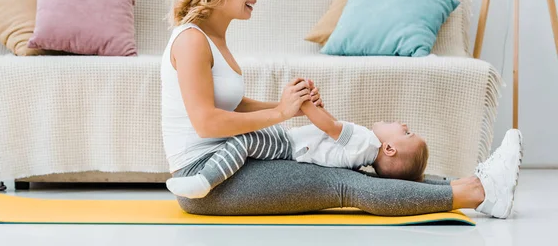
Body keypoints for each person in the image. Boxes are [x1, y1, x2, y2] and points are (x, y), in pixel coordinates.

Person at [161, 0, 523, 218]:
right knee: (344, 183)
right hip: (208, 179)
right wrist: (281, 113)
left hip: (232, 164)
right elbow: (207, 122)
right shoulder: (193, 40)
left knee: (360, 167)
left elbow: (232, 105)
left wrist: (292, 106)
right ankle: (477, 193)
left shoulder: (214, 38)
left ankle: (470, 185)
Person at [166, 93, 429, 199]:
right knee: (246, 134)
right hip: (289, 143)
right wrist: (316, 108)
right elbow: (330, 128)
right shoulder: (363, 149)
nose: (401, 123)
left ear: (390, 149)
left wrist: (302, 105)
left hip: (287, 146)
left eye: (405, 131)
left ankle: (205, 180)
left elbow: (330, 127)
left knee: (243, 140)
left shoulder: (366, 141)